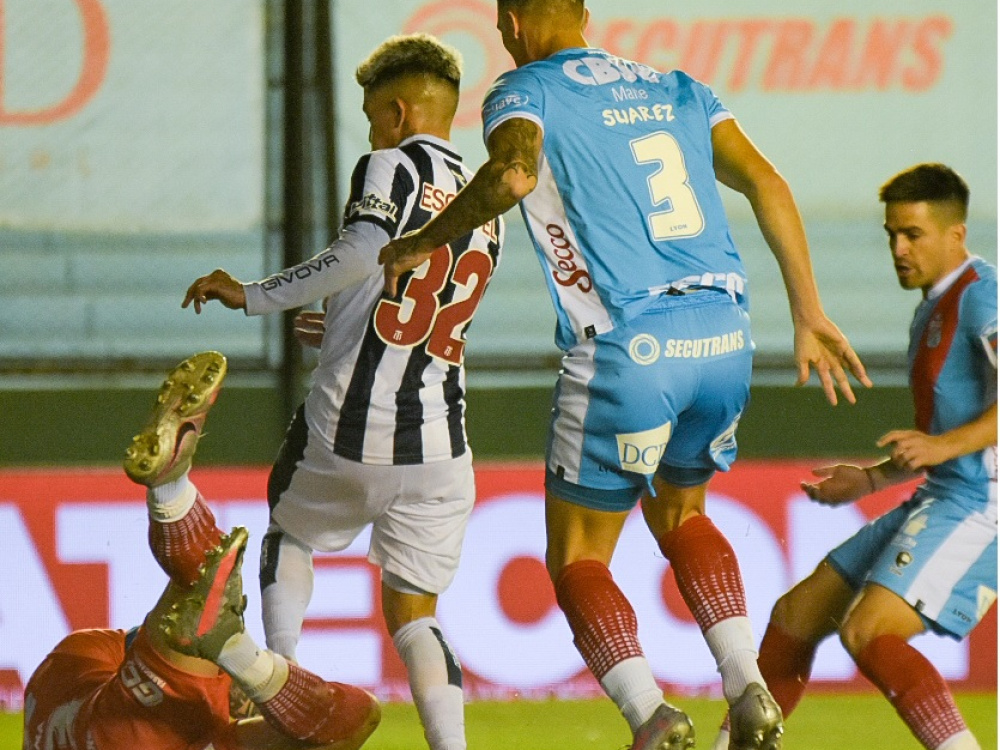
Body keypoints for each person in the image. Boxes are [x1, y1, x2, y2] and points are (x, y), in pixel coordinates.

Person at [379, 2, 872, 749]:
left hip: (629, 345)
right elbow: (768, 181)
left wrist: (425, 239)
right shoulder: (679, 87)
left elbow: (512, 173)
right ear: (584, 13)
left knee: (577, 554)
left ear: (510, 23)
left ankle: (651, 714)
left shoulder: (524, 90)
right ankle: (749, 687)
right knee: (683, 514)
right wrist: (807, 310)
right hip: (724, 334)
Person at [182, 34, 504, 750]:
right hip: (442, 449)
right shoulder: (487, 204)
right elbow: (421, 307)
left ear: (397, 112)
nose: (370, 133)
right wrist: (342, 327)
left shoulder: (391, 164)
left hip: (354, 428)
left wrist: (253, 293)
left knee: (286, 534)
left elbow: (362, 251)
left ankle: (282, 688)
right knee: (417, 617)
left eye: (371, 117)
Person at [710, 163, 997, 750]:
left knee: (869, 631)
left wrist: (942, 446)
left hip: (980, 506)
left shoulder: (981, 296)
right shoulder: (933, 307)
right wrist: (871, 480)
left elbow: (950, 441)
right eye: (892, 234)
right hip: (943, 493)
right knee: (794, 619)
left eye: (912, 234)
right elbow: (944, 434)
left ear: (956, 234)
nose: (898, 249)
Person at [23, 351, 381, 750]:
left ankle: (170, 490)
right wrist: (253, 671)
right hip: (87, 709)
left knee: (202, 594)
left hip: (96, 713)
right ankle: (170, 493)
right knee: (202, 612)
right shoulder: (213, 737)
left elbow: (355, 717)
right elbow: (356, 716)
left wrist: (241, 661)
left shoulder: (90, 665)